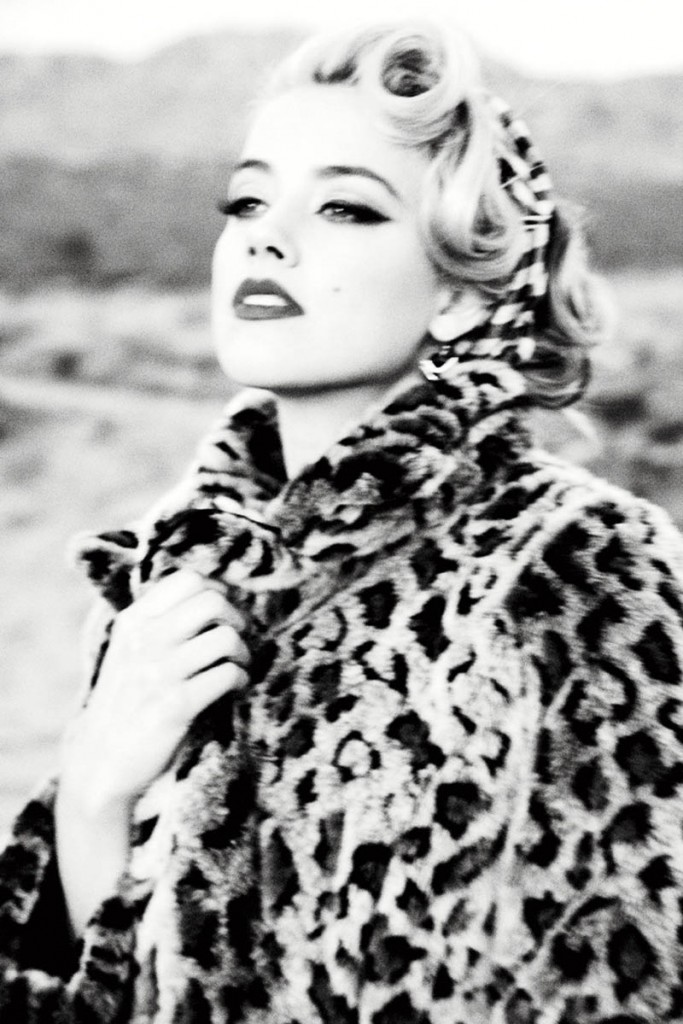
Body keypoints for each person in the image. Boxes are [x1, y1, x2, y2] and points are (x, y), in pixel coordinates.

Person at [1, 18, 682, 1024]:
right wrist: (94, 796)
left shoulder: (577, 569)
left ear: (458, 296)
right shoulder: (172, 584)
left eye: (346, 208)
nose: (265, 236)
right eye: (247, 200)